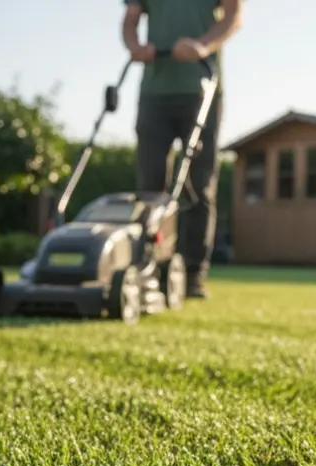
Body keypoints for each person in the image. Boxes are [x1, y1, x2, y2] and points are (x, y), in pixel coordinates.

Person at [122, 0, 242, 300]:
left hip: (201, 87)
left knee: (198, 187)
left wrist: (202, 45)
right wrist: (136, 47)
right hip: (154, 91)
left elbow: (233, 16)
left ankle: (192, 275)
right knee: (149, 188)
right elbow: (130, 19)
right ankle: (144, 267)